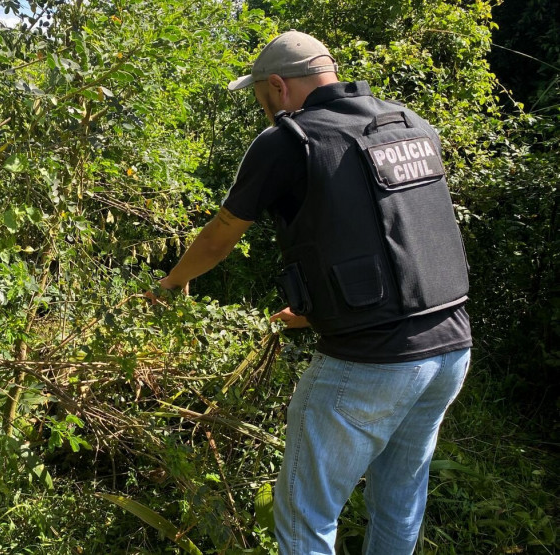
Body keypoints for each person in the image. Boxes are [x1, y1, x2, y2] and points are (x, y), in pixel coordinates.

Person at [148, 31, 472, 554]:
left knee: (306, 513)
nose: (264, 110)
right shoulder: (408, 124)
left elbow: (220, 236)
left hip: (370, 360)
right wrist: (313, 311)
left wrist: (171, 282)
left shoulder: (289, 140)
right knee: (400, 499)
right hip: (450, 350)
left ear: (278, 85)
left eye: (262, 98)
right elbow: (395, 232)